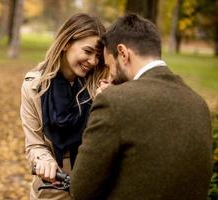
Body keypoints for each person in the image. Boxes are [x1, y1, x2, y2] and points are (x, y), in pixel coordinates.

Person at [70, 13, 213, 200]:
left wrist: (106, 101)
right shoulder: (198, 104)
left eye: (109, 65)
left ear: (123, 53)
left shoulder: (113, 102)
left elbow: (81, 190)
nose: (110, 75)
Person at [20, 13, 108, 200]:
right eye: (87, 51)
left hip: (92, 189)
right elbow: (34, 144)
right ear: (67, 43)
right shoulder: (34, 87)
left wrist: (104, 105)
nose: (93, 62)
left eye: (98, 56)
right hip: (51, 190)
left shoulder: (102, 87)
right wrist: (44, 160)